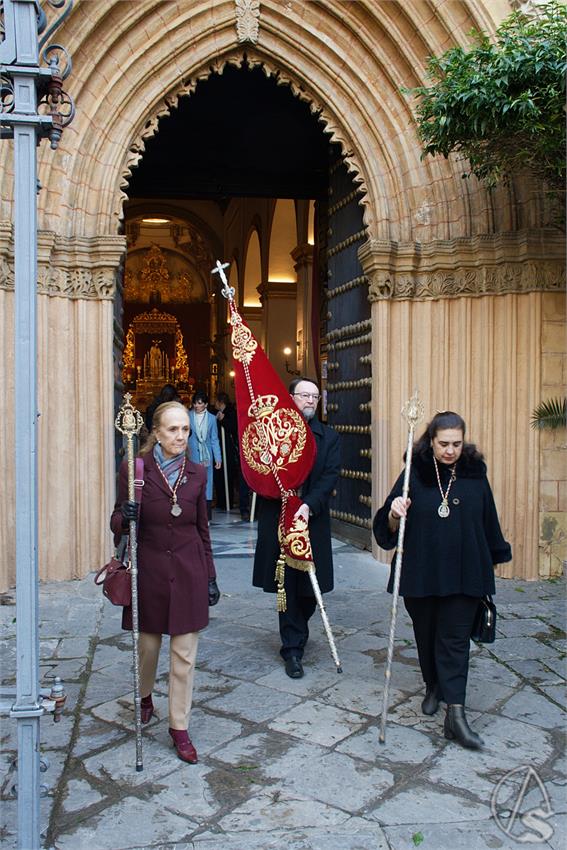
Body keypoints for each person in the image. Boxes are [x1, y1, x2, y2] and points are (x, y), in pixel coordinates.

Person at [373, 410, 512, 750]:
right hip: (421, 571)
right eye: (444, 444)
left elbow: (487, 518)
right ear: (430, 441)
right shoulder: (414, 473)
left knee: (454, 641)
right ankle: (433, 685)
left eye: (457, 444)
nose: (450, 451)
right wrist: (394, 513)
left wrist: (494, 556)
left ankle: (457, 714)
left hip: (465, 572)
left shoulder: (475, 473)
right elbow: (387, 526)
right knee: (427, 635)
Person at [111, 401, 220, 764]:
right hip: (150, 572)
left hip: (189, 571)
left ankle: (179, 726)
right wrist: (123, 517)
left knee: (184, 656)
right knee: (148, 648)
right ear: (155, 432)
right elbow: (117, 522)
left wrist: (210, 577)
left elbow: (202, 527)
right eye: (173, 429)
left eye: (185, 429)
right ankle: (145, 697)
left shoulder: (198, 472)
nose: (180, 436)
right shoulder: (134, 469)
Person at [252, 377, 341, 679]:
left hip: (311, 520)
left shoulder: (328, 437)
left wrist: (307, 505)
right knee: (287, 585)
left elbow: (330, 476)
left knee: (310, 591)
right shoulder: (272, 435)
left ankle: (298, 631)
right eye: (305, 395)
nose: (311, 401)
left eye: (315, 397)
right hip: (279, 519)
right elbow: (258, 469)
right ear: (290, 398)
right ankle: (292, 648)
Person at [214, 391, 250, 519]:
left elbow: (233, 427)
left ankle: (235, 504)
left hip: (234, 451)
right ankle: (225, 502)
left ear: (220, 402)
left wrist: (223, 420)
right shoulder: (220, 413)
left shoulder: (230, 413)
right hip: (225, 450)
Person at [188, 390, 222, 520]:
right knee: (192, 483)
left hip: (207, 456)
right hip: (191, 454)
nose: (196, 406)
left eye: (200, 403)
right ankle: (192, 514)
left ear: (206, 405)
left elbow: (214, 439)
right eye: (195, 403)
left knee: (206, 483)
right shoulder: (188, 415)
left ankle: (206, 516)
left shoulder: (212, 419)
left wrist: (218, 457)